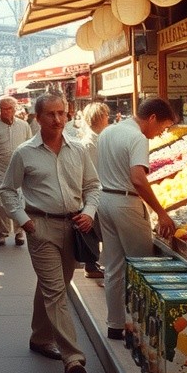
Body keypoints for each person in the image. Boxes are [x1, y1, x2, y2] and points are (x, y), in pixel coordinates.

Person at [0, 92, 101, 373]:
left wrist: (89, 212)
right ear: (37, 117)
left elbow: (93, 186)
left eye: (61, 113)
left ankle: (40, 337)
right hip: (40, 228)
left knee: (54, 285)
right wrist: (23, 220)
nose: (57, 119)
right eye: (50, 114)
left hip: (74, 228)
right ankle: (73, 357)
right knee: (56, 291)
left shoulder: (78, 149)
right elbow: (7, 190)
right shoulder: (24, 153)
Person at [97, 96, 177, 341]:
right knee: (144, 266)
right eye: (162, 127)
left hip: (105, 199)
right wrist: (160, 212)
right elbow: (138, 179)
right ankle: (144, 330)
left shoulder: (108, 131)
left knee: (114, 267)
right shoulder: (138, 138)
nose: (161, 133)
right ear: (152, 118)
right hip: (127, 203)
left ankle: (115, 324)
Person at [0, 96, 31, 245]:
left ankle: (19, 231)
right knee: (0, 203)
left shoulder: (24, 126)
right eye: (2, 109)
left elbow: (30, 148)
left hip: (18, 170)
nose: (5, 112)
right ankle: (2, 232)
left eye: (8, 109)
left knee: (18, 201)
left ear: (14, 109)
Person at [78, 101, 111, 280]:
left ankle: (93, 264)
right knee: (93, 230)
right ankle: (91, 265)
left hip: (100, 190)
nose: (108, 118)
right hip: (95, 191)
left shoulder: (98, 139)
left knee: (96, 230)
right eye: (105, 115)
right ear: (98, 118)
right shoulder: (89, 143)